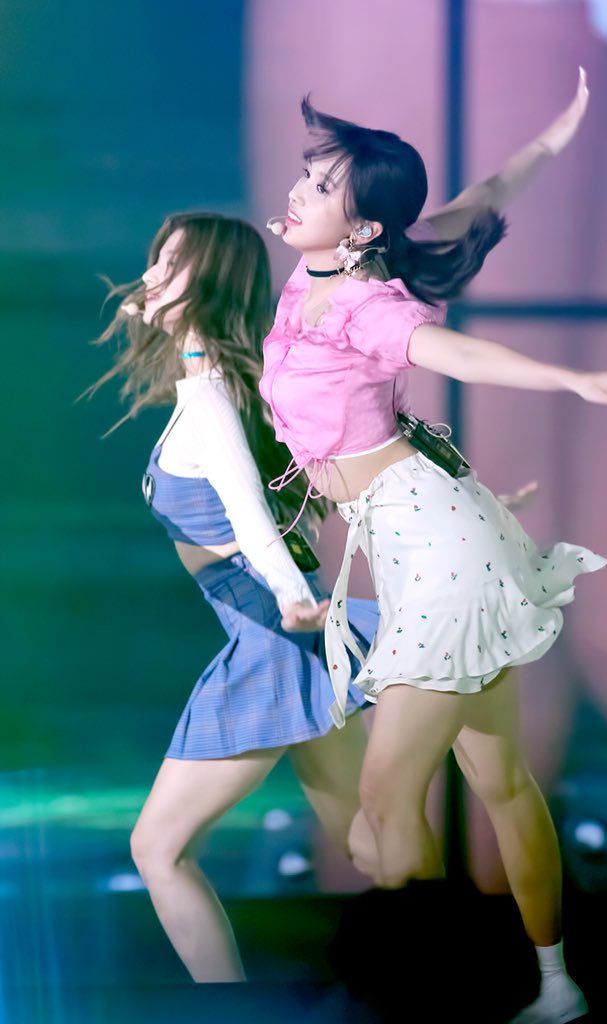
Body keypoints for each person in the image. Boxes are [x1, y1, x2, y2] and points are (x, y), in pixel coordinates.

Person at [259, 70, 607, 1023]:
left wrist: (572, 379)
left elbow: (458, 354)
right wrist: (549, 141)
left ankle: (425, 992)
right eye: (309, 176)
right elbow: (479, 203)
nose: (299, 192)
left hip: (439, 555)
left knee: (387, 816)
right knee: (498, 785)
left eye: (320, 187)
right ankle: (555, 988)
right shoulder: (319, 277)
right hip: (425, 545)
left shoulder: (370, 308)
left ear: (361, 230)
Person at [88, 213, 378, 982]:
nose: (152, 273)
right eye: (155, 258)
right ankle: (498, 977)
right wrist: (161, 311)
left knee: (157, 850)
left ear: (212, 280)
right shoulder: (215, 379)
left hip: (275, 640)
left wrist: (288, 596)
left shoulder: (215, 392)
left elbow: (250, 514)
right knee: (373, 849)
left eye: (172, 262)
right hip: (299, 640)